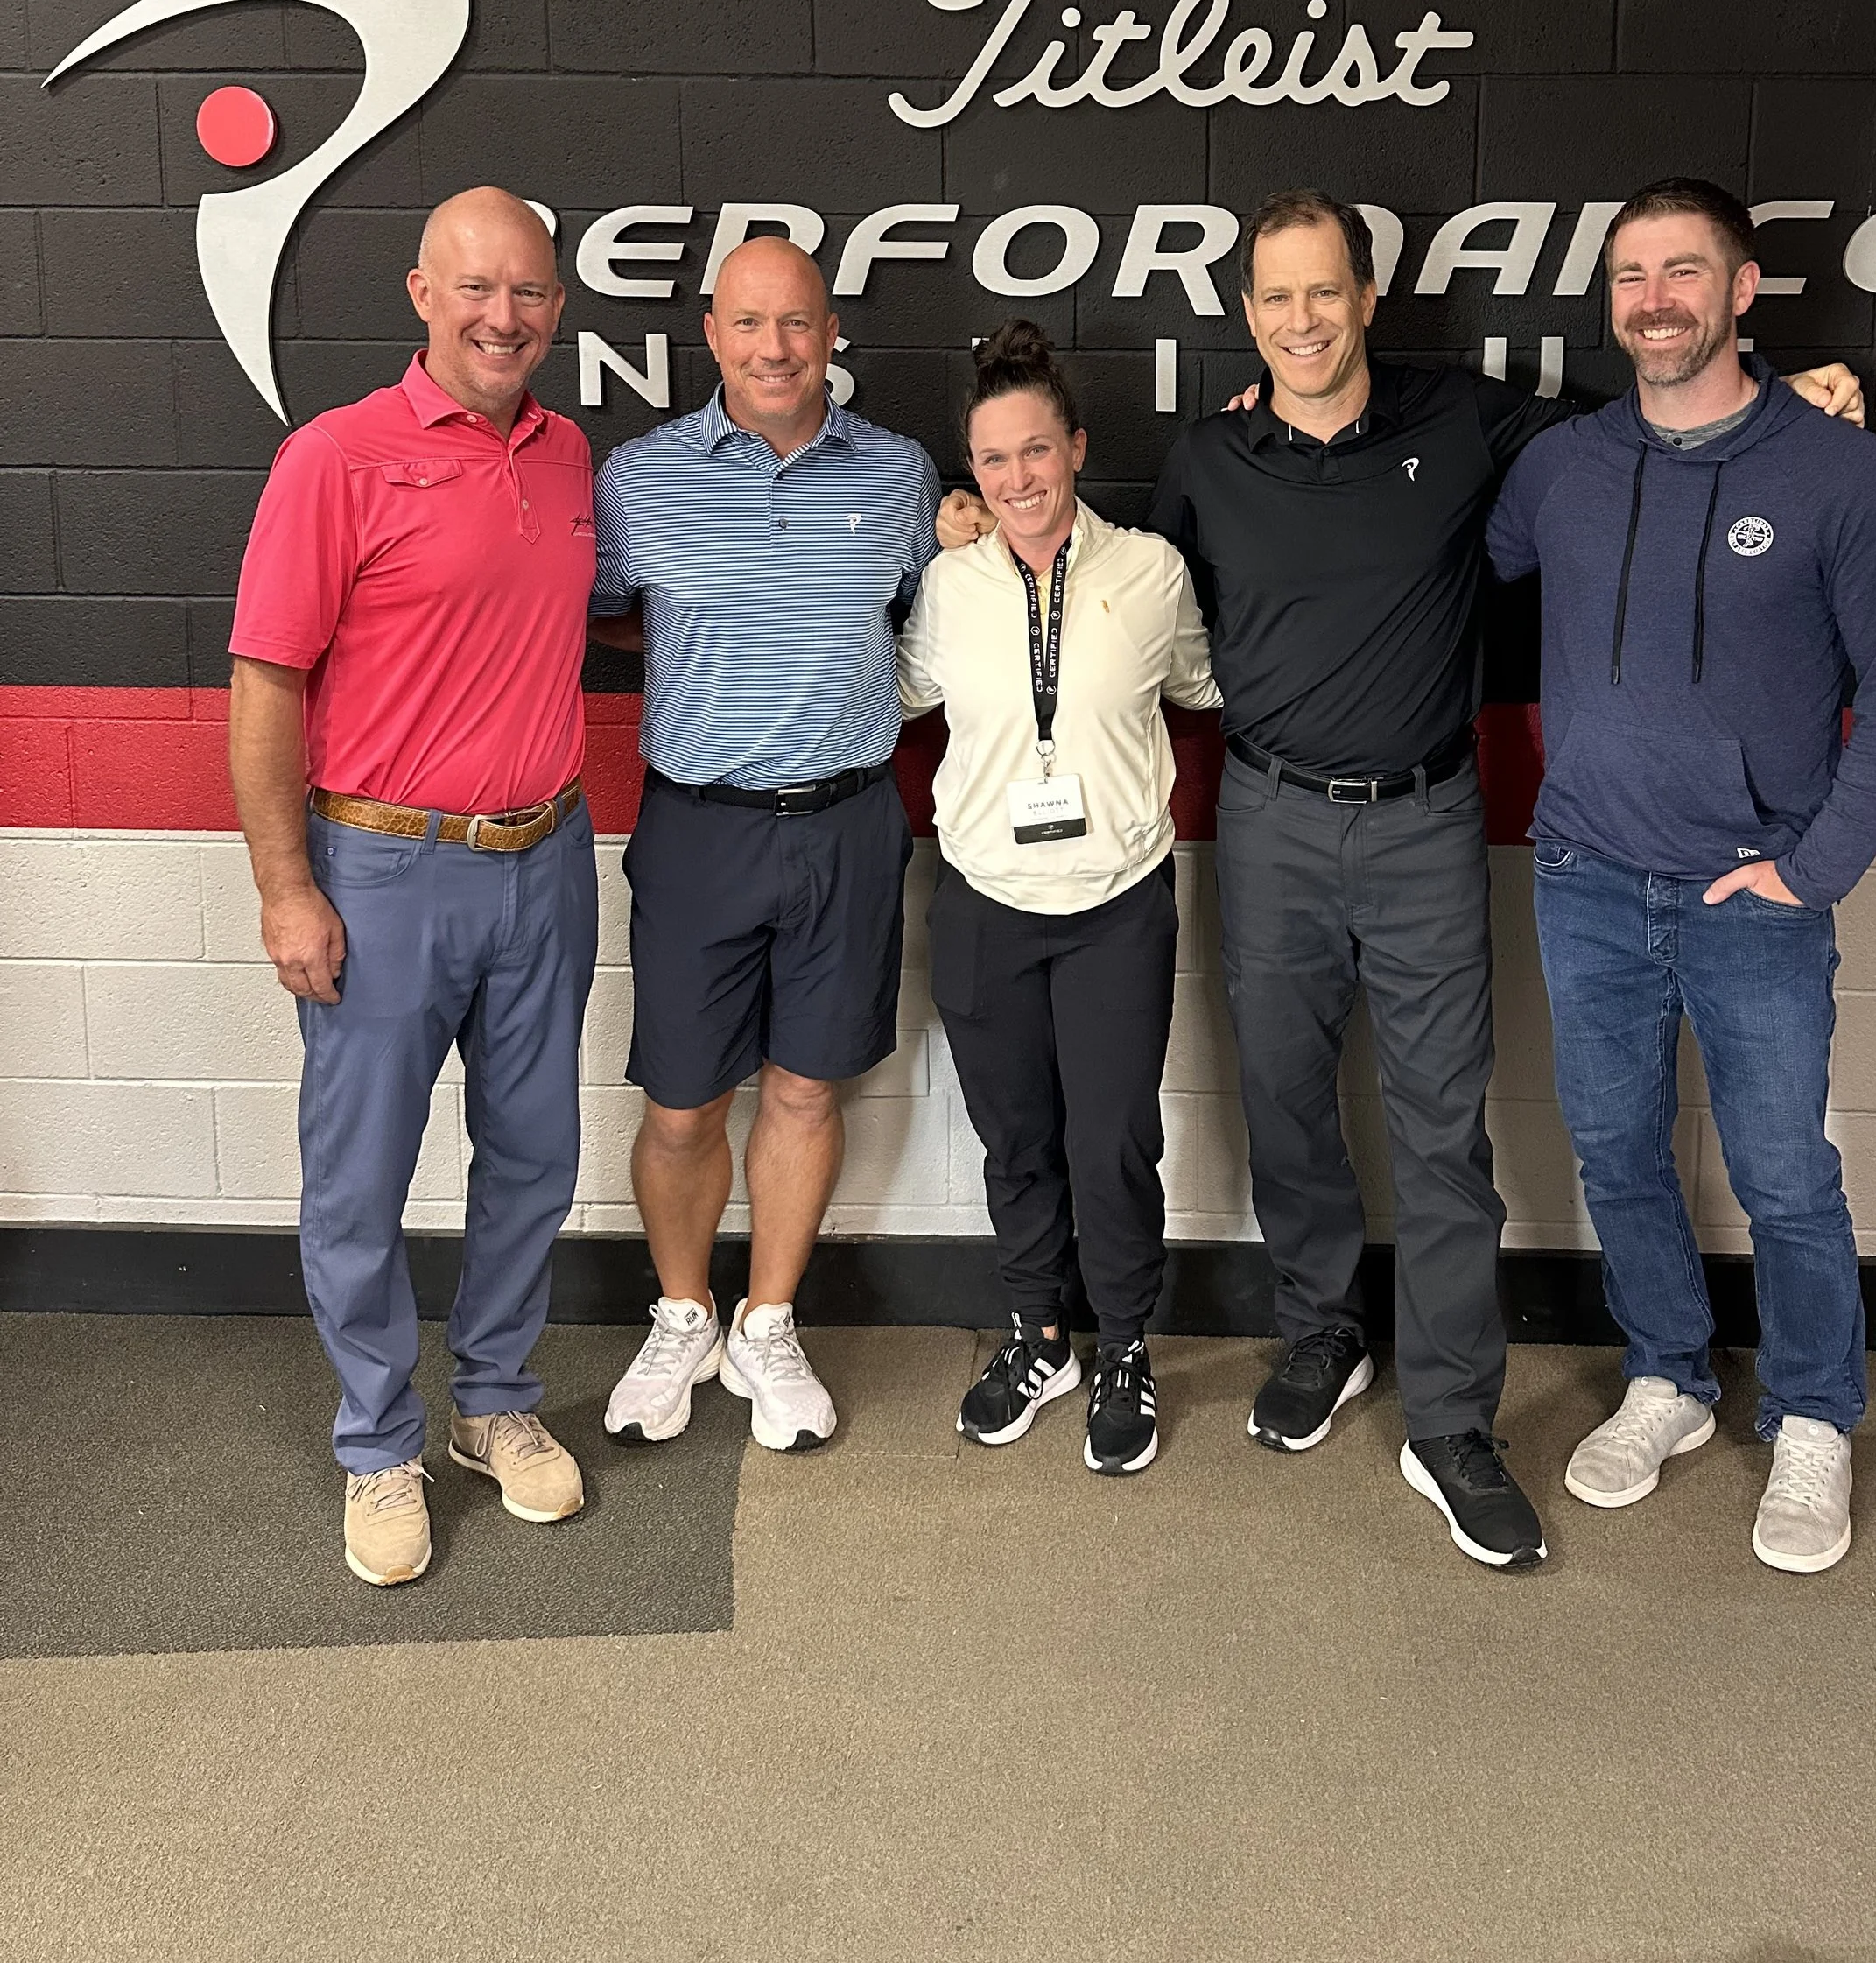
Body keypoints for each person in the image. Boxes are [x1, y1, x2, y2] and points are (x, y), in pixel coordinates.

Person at [1116, 189, 1865, 1573]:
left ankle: (1452, 1419)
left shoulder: (1470, 425)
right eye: (1275, 298)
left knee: (1439, 1129)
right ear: (1246, 314)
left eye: (1324, 291)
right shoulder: (1209, 457)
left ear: (1367, 298)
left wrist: (1785, 397)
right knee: (1283, 1098)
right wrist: (979, 523)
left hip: (1423, 821)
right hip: (1267, 818)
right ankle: (1323, 1332)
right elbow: (1140, 595)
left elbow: (1659, 418)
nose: (1301, 321)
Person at [1488, 177, 1876, 1575]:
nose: (1656, 300)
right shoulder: (1562, 468)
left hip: (1756, 892)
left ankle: (1814, 1415)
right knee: (1616, 1150)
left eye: (1685, 271)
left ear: (1743, 289)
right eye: (1632, 275)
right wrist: (1279, 417)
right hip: (1587, 877)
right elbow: (1452, 553)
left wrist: (1815, 870)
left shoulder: (1842, 474)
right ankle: (1669, 1376)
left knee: (1785, 1176)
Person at [228, 189, 598, 1588]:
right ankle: (378, 1442)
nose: (504, 317)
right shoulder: (335, 458)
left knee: (534, 1155)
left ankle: (492, 1404)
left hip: (548, 860)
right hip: (381, 873)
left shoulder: (568, 456)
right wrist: (286, 887)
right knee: (362, 1173)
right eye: (476, 289)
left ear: (556, 306)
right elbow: (266, 682)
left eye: (530, 292)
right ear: (422, 295)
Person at [589, 237, 940, 1456]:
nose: (775, 349)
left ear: (832, 332)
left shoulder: (898, 472)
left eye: (796, 323)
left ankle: (769, 1322)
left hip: (849, 821)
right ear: (712, 334)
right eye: (749, 324)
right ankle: (684, 1316)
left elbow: (926, 615)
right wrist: (713, 641)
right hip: (700, 827)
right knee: (684, 1105)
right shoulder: (642, 478)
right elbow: (607, 614)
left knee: (803, 1089)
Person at [898, 321, 1221, 1474]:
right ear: (971, 474)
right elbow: (901, 692)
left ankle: (1125, 1341)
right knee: (1017, 1139)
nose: (1018, 478)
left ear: (1077, 447)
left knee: (1114, 1140)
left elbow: (1202, 683)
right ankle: (1040, 1335)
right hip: (985, 900)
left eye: (1036, 450)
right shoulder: (949, 584)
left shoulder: (1150, 572)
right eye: (993, 459)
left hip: (1115, 905)